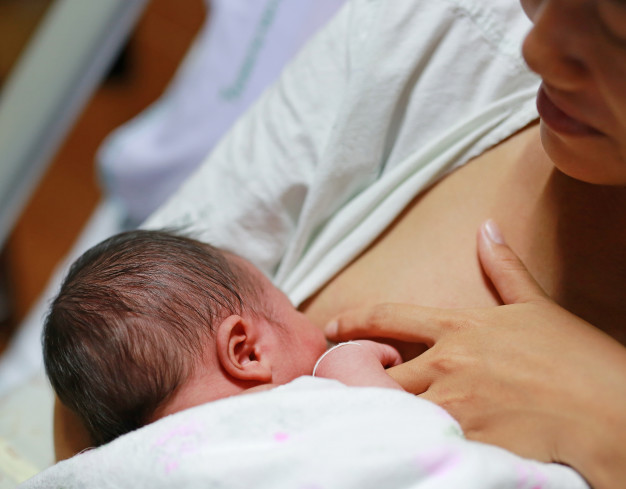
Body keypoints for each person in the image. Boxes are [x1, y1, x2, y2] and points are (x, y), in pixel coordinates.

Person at [56, 1, 626, 488]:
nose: (538, 50)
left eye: (617, 26)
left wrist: (607, 409)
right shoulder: (434, 29)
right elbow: (103, 378)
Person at [43, 230, 402, 447]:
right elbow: (402, 438)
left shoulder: (130, 466)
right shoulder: (297, 402)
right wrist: (351, 363)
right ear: (247, 352)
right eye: (291, 307)